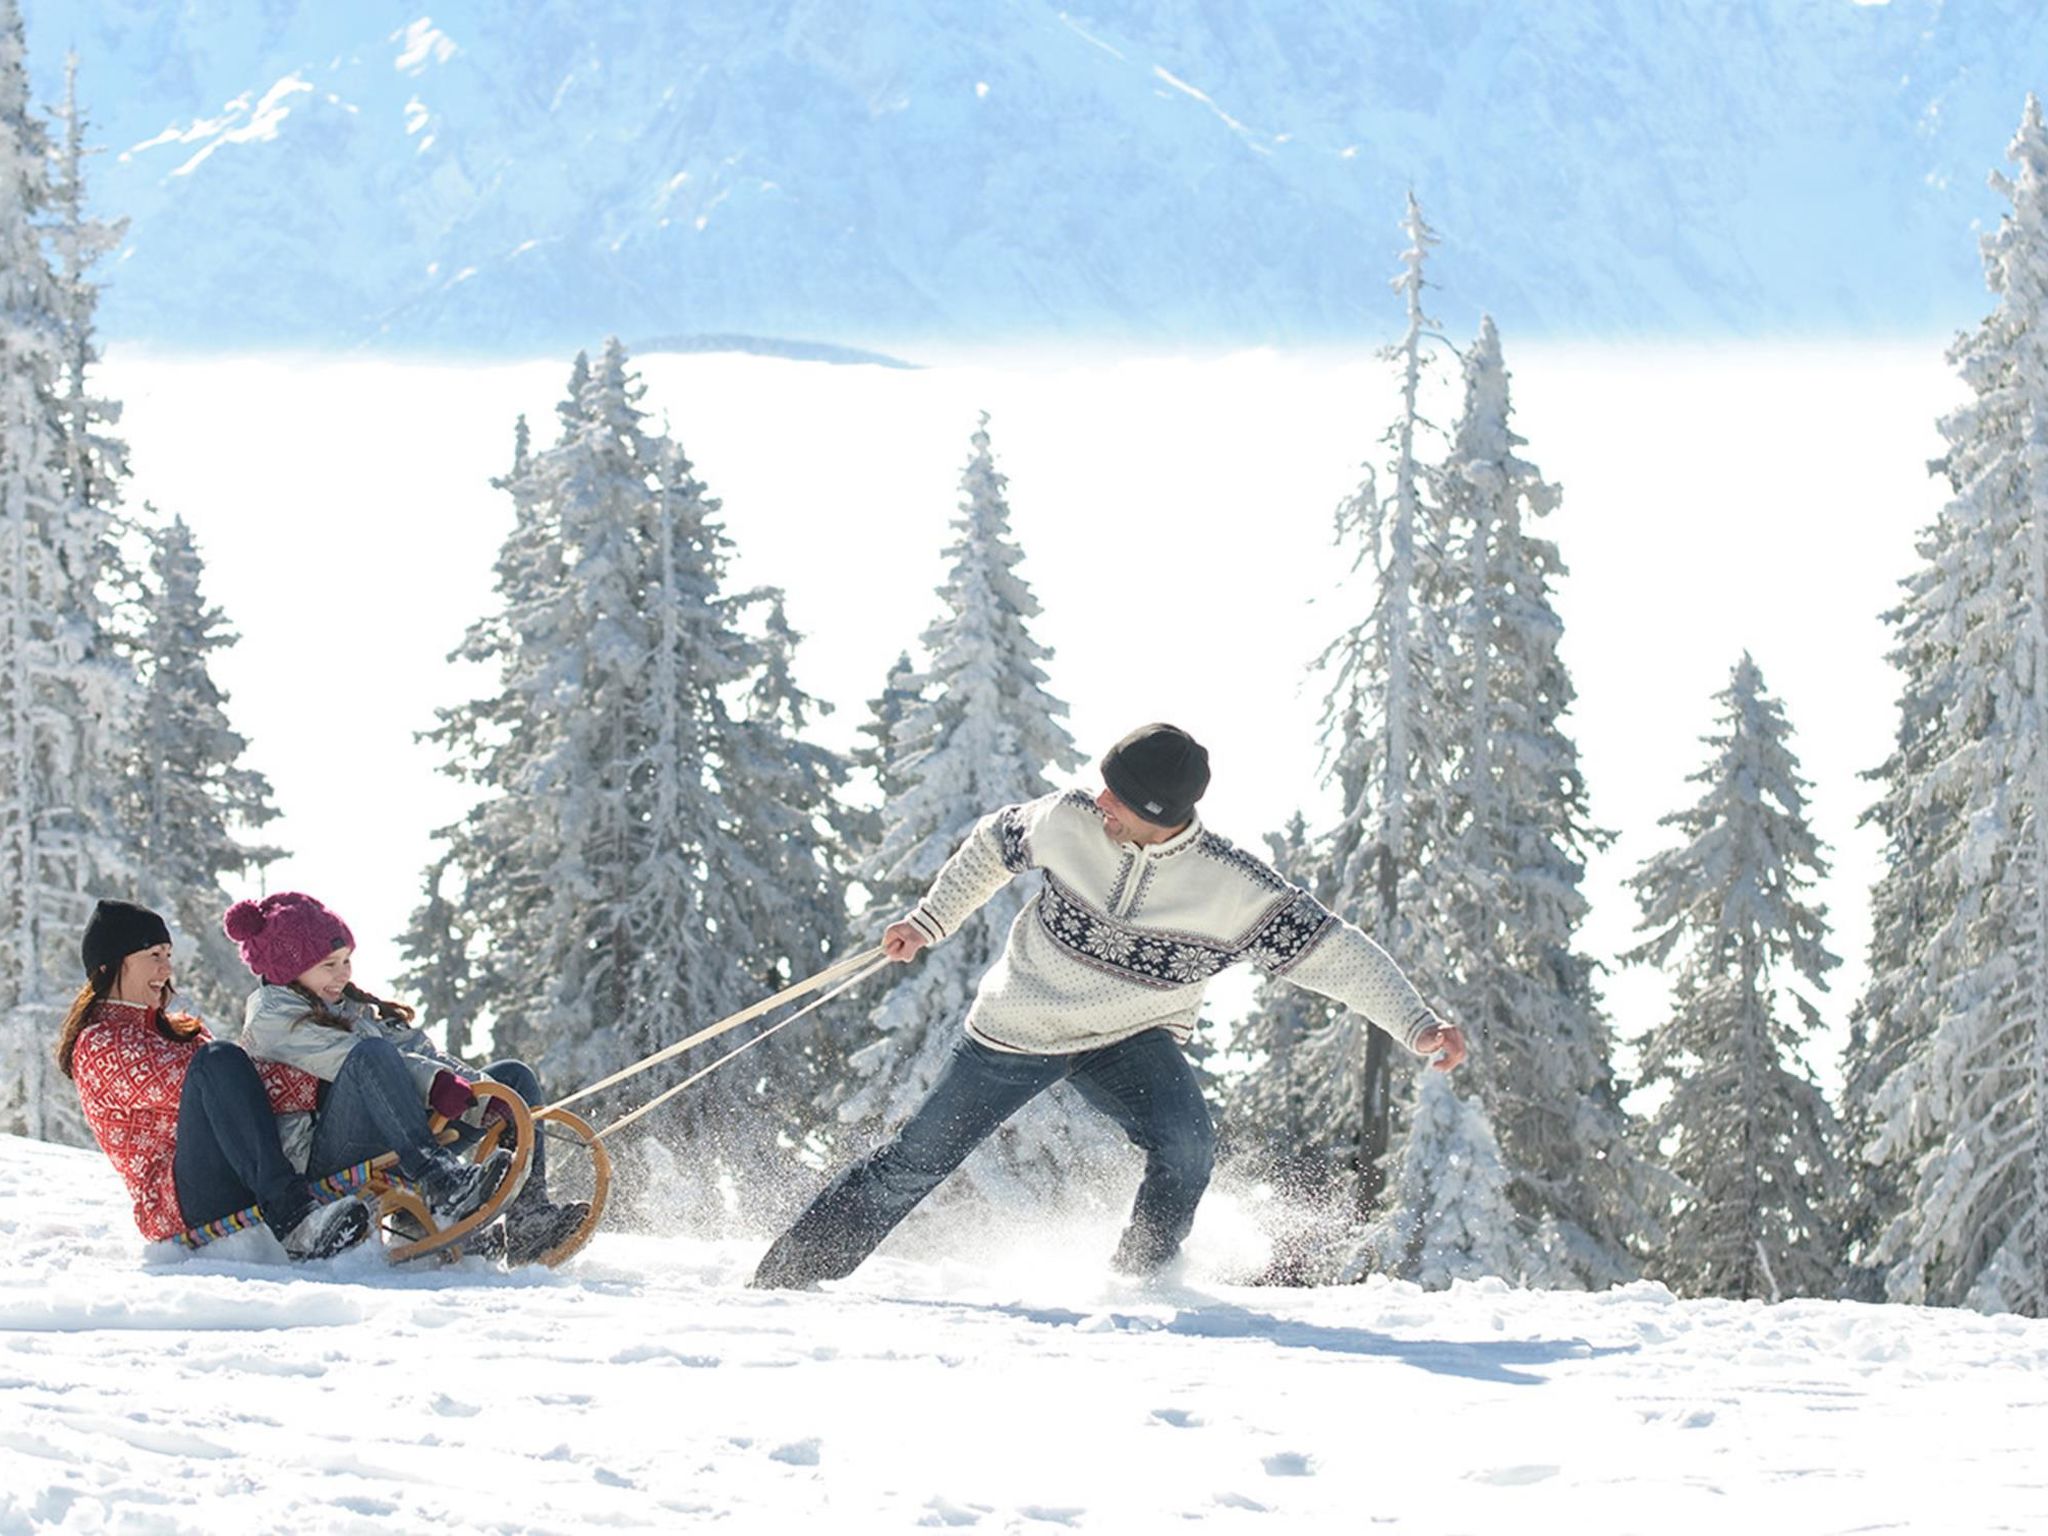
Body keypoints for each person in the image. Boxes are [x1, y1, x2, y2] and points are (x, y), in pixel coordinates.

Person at [752, 722, 1467, 1290]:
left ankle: (1141, 1285)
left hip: (1128, 1037)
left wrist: (1418, 1023)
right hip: (1017, 1027)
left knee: (1186, 1148)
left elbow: (1336, 952)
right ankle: (784, 1280)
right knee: (912, 1162)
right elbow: (992, 846)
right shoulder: (1067, 819)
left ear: (1158, 813)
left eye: (1116, 797)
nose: (1099, 801)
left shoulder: (1233, 885)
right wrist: (927, 922)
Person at [227, 891, 588, 1264]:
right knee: (370, 1053)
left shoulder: (348, 1005)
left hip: (390, 1133)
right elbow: (360, 1061)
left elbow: (422, 1052)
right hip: (321, 1158)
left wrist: (481, 1095)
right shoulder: (274, 1017)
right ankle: (440, 1182)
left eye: (346, 960)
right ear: (289, 969)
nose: (344, 973)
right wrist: (435, 1085)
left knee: (511, 1079)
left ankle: (529, 1219)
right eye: (329, 964)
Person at [60, 898, 371, 1261]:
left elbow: (245, 1093)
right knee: (219, 1060)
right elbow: (216, 1091)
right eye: (153, 956)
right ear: (110, 965)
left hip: (234, 1170)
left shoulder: (179, 1031)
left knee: (262, 1065)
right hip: (179, 1202)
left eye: (168, 955)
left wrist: (324, 1067)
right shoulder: (100, 1043)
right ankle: (295, 1219)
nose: (166, 968)